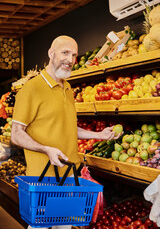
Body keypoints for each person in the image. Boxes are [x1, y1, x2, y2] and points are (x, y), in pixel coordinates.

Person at [11, 35, 122, 229]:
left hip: (69, 175)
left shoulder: (68, 88)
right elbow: (16, 133)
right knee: (41, 226)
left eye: (74, 55)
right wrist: (46, 149)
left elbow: (69, 127)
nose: (70, 60)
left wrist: (99, 135)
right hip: (42, 178)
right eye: (65, 53)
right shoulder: (31, 89)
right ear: (51, 53)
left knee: (64, 226)